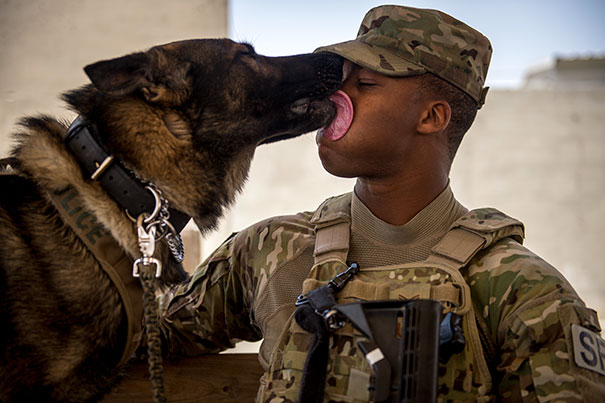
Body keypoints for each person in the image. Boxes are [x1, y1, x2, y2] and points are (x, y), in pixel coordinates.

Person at [155, 5, 605, 402]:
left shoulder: (523, 290)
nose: (336, 97)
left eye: (366, 84)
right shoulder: (270, 249)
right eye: (341, 81)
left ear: (431, 116)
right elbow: (146, 339)